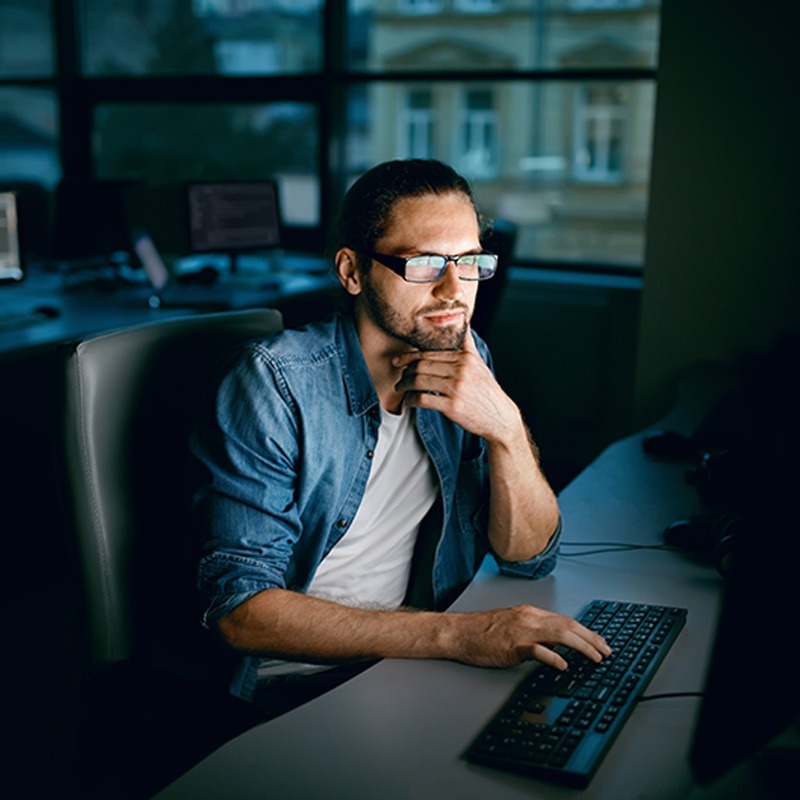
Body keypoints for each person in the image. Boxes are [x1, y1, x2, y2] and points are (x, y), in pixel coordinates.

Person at [190, 159, 610, 712]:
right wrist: (457, 635)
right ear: (352, 271)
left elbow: (528, 557)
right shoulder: (274, 384)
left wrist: (506, 428)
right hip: (299, 684)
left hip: (412, 656)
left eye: (469, 262)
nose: (453, 290)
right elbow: (240, 611)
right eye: (423, 264)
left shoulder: (463, 356)